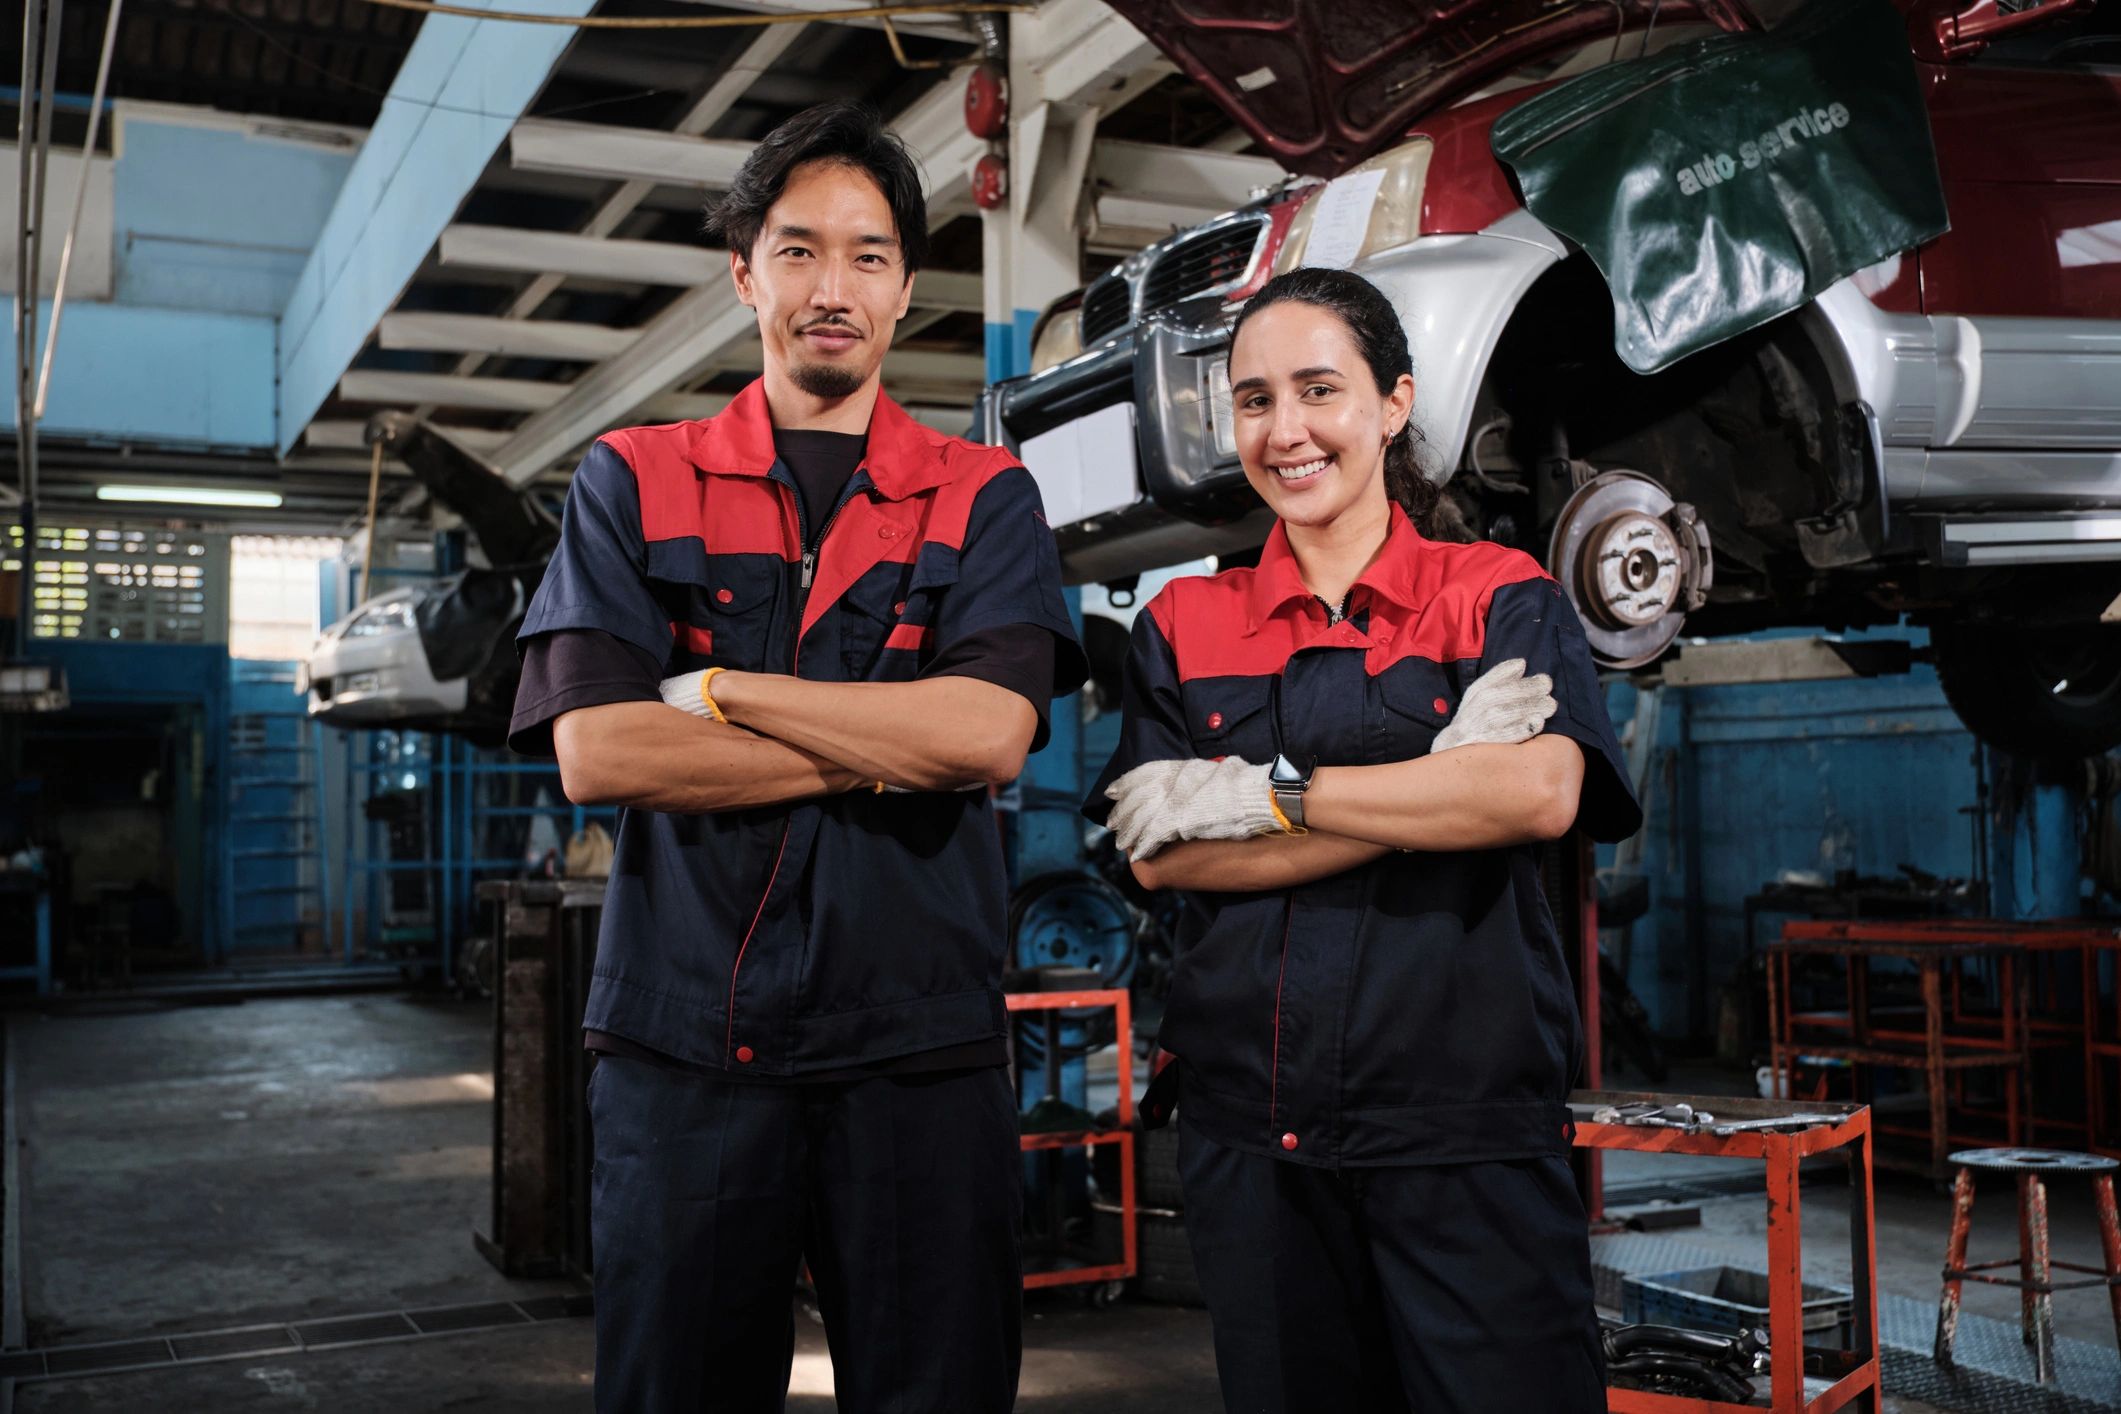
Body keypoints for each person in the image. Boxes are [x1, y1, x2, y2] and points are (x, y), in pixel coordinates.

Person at [508, 100, 1085, 1413]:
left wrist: (715, 695)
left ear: (907, 286)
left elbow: (988, 731)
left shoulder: (982, 494)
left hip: (918, 1051)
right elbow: (598, 749)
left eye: (869, 255)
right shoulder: (633, 476)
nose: (834, 288)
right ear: (743, 271)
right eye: (800, 250)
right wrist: (894, 741)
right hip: (686, 1044)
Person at [1087, 266, 1641, 1413]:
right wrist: (1436, 785)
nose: (1284, 430)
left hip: (1467, 1138)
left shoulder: (1498, 593)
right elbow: (1161, 853)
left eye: (1318, 390)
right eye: (1252, 399)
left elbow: (1537, 793)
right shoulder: (1183, 627)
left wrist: (1262, 794)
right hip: (1255, 1144)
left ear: (1394, 404)